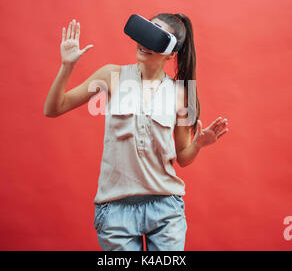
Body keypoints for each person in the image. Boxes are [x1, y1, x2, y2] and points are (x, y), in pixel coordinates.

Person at [44, 13, 229, 251]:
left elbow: (183, 157)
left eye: (156, 37)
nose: (144, 42)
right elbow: (53, 109)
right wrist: (67, 66)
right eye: (146, 31)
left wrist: (199, 144)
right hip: (115, 210)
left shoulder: (185, 93)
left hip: (165, 209)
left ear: (172, 53)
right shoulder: (111, 75)